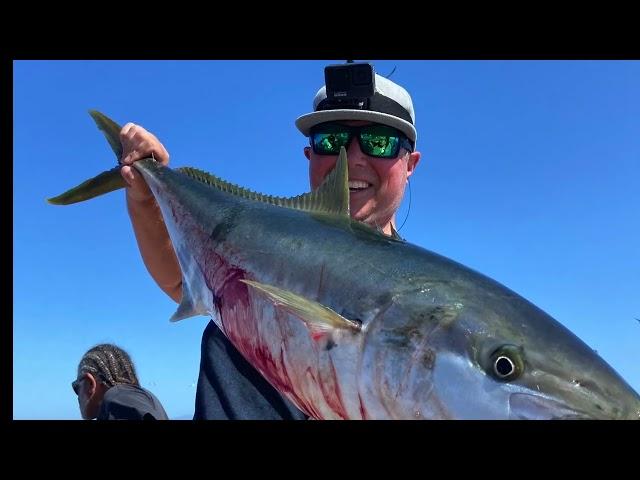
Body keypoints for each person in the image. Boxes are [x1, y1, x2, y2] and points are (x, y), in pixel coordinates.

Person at [117, 66, 421, 419]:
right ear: (310, 155)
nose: (351, 158)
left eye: (379, 142)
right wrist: (143, 197)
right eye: (330, 140)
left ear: (410, 163)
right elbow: (180, 282)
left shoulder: (424, 299)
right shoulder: (258, 242)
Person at [72, 343, 169, 420]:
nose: (77, 396)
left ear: (90, 383)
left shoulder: (117, 404)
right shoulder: (145, 399)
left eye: (76, 387)